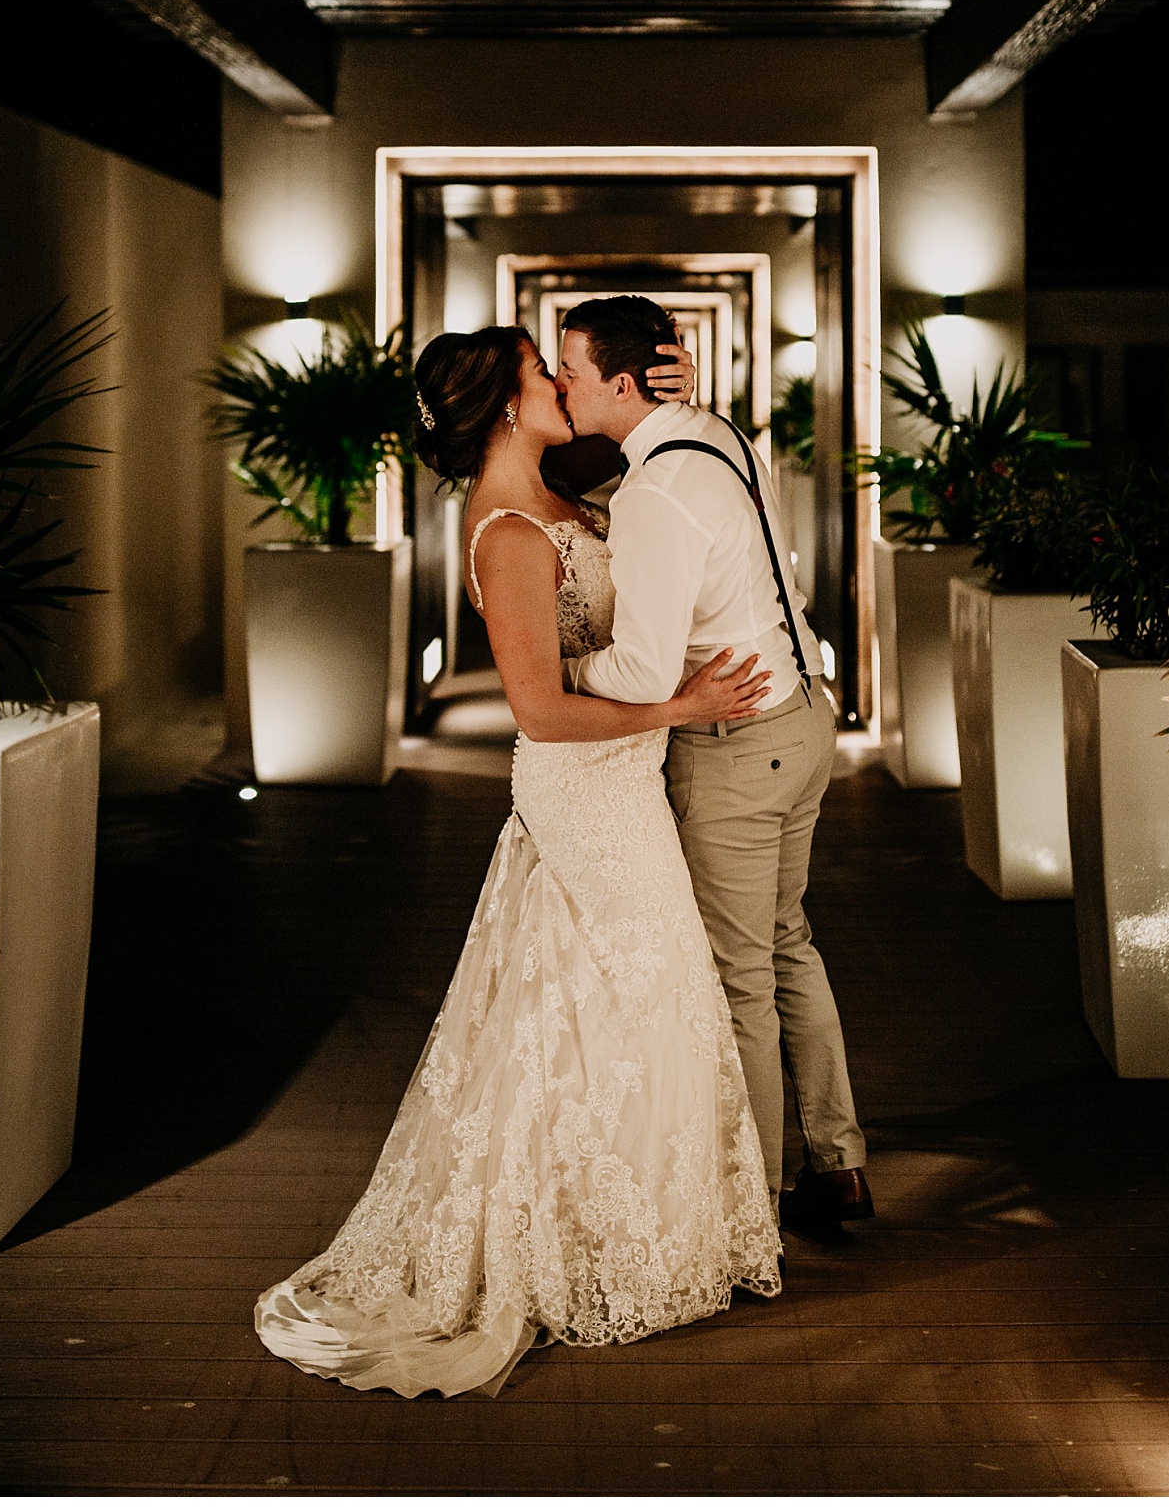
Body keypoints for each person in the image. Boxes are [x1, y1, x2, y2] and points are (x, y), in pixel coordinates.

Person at [254, 325, 783, 1400]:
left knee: (628, 1013)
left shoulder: (558, 488)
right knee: (630, 1004)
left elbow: (660, 449)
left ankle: (620, 1233)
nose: (562, 384)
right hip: (587, 793)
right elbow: (539, 710)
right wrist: (683, 703)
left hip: (625, 784)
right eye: (548, 371)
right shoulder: (504, 531)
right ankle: (589, 1244)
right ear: (503, 401)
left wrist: (677, 391)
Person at [555, 296, 872, 1234]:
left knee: (736, 976)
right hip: (802, 713)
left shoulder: (653, 491)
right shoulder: (718, 434)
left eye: (570, 372)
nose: (563, 387)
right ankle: (839, 1163)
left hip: (733, 747)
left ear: (621, 380)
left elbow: (645, 671)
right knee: (785, 945)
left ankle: (759, 1194)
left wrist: (556, 663)